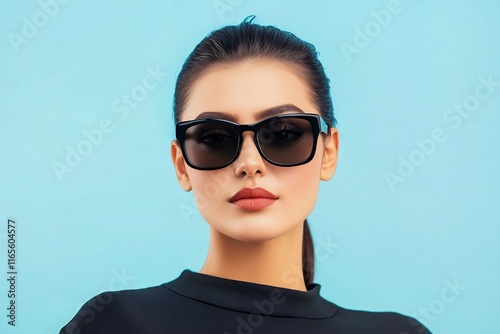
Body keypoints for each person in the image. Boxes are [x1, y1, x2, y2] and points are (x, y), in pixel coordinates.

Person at [60, 17, 431, 334]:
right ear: (180, 164)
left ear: (328, 153)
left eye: (284, 133)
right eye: (215, 138)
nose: (249, 163)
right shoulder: (115, 324)